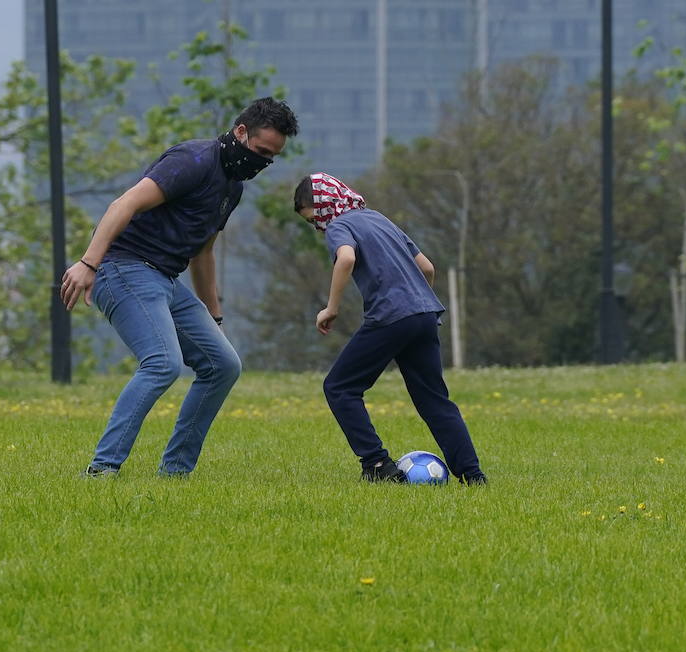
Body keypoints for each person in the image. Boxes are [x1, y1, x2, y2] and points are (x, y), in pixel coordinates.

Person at [59, 98, 299, 477]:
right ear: (240, 132)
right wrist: (88, 263)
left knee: (223, 364)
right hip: (123, 268)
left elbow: (204, 254)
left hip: (164, 279)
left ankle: (175, 472)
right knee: (162, 363)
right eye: (260, 151)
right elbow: (124, 204)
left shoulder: (232, 188)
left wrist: (213, 316)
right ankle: (102, 469)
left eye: (270, 158)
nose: (262, 163)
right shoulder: (194, 160)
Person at [294, 172, 487, 485]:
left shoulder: (339, 224)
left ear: (323, 206)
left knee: (339, 387)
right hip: (425, 313)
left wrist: (331, 309)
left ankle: (377, 464)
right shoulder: (378, 219)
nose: (317, 227)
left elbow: (345, 259)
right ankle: (472, 475)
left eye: (313, 219)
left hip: (391, 316)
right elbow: (427, 267)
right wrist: (417, 301)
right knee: (434, 400)